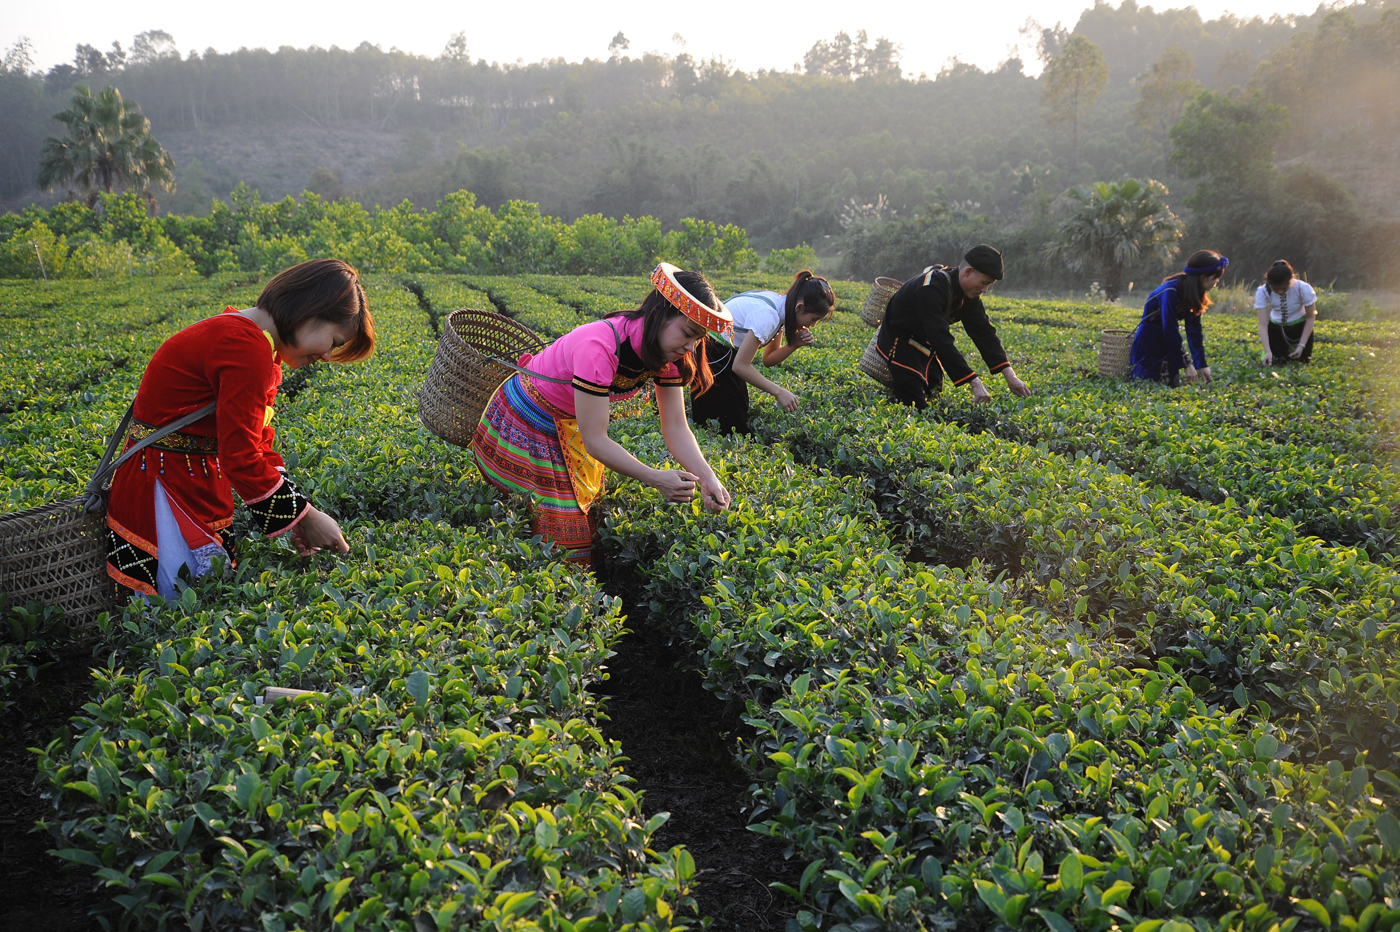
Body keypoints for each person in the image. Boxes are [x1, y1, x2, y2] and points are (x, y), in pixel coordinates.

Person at [106, 258, 375, 599]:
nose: (325, 356)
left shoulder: (250, 338)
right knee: (178, 606)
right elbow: (241, 457)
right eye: (334, 341)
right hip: (165, 486)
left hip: (186, 480)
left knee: (193, 603)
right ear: (310, 312)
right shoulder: (245, 346)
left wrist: (295, 515)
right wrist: (306, 516)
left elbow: (258, 443)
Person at [471, 262, 733, 568]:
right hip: (529, 416)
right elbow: (595, 440)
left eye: (697, 339)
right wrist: (655, 478)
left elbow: (675, 426)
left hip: (569, 423)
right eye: (687, 333)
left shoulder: (670, 355)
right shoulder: (599, 347)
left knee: (588, 518)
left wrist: (707, 477)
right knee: (563, 534)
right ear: (660, 315)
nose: (690, 346)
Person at [875, 243, 1032, 408]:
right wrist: (974, 382)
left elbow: (984, 332)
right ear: (968, 272)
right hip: (901, 346)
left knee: (934, 394)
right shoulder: (930, 288)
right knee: (915, 407)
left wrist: (1010, 375)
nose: (985, 290)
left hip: (925, 348)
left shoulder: (968, 294)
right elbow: (940, 337)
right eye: (984, 283)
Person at [691, 270, 837, 434]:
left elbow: (768, 359)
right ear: (799, 307)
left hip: (726, 354)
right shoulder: (769, 315)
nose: (813, 325)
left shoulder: (782, 307)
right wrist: (779, 392)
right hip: (712, 352)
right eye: (813, 319)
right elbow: (741, 366)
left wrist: (794, 344)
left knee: (737, 411)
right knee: (724, 425)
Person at [1129, 249, 1227, 386]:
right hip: (1149, 343)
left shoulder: (1194, 292)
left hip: (1168, 343)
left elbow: (1193, 331)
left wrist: (1201, 365)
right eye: (1215, 278)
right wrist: (1187, 364)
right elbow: (1169, 328)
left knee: (1171, 385)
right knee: (1146, 384)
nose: (1216, 282)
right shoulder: (1171, 291)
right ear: (1203, 277)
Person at [1255, 259, 1317, 364]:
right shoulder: (1262, 291)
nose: (1280, 292)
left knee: (1302, 362)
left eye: (1284, 289)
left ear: (1291, 280)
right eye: (1275, 289)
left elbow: (1310, 317)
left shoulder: (1304, 289)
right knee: (1273, 362)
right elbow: (1263, 324)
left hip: (1300, 329)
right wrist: (1268, 351)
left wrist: (1301, 345)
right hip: (1276, 331)